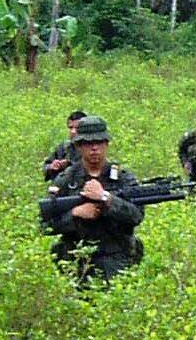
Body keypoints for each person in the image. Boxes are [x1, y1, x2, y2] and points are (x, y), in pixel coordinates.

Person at [42, 115, 145, 284]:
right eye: (88, 143)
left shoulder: (123, 178)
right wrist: (76, 213)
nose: (94, 148)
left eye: (99, 142)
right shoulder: (66, 180)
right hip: (76, 259)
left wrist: (106, 198)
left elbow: (136, 216)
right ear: (79, 146)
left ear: (106, 144)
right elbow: (46, 225)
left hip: (116, 257)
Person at [43, 110, 87, 181]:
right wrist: (52, 166)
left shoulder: (92, 147)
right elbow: (46, 166)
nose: (73, 131)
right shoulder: (63, 147)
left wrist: (69, 164)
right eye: (70, 128)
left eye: (77, 128)